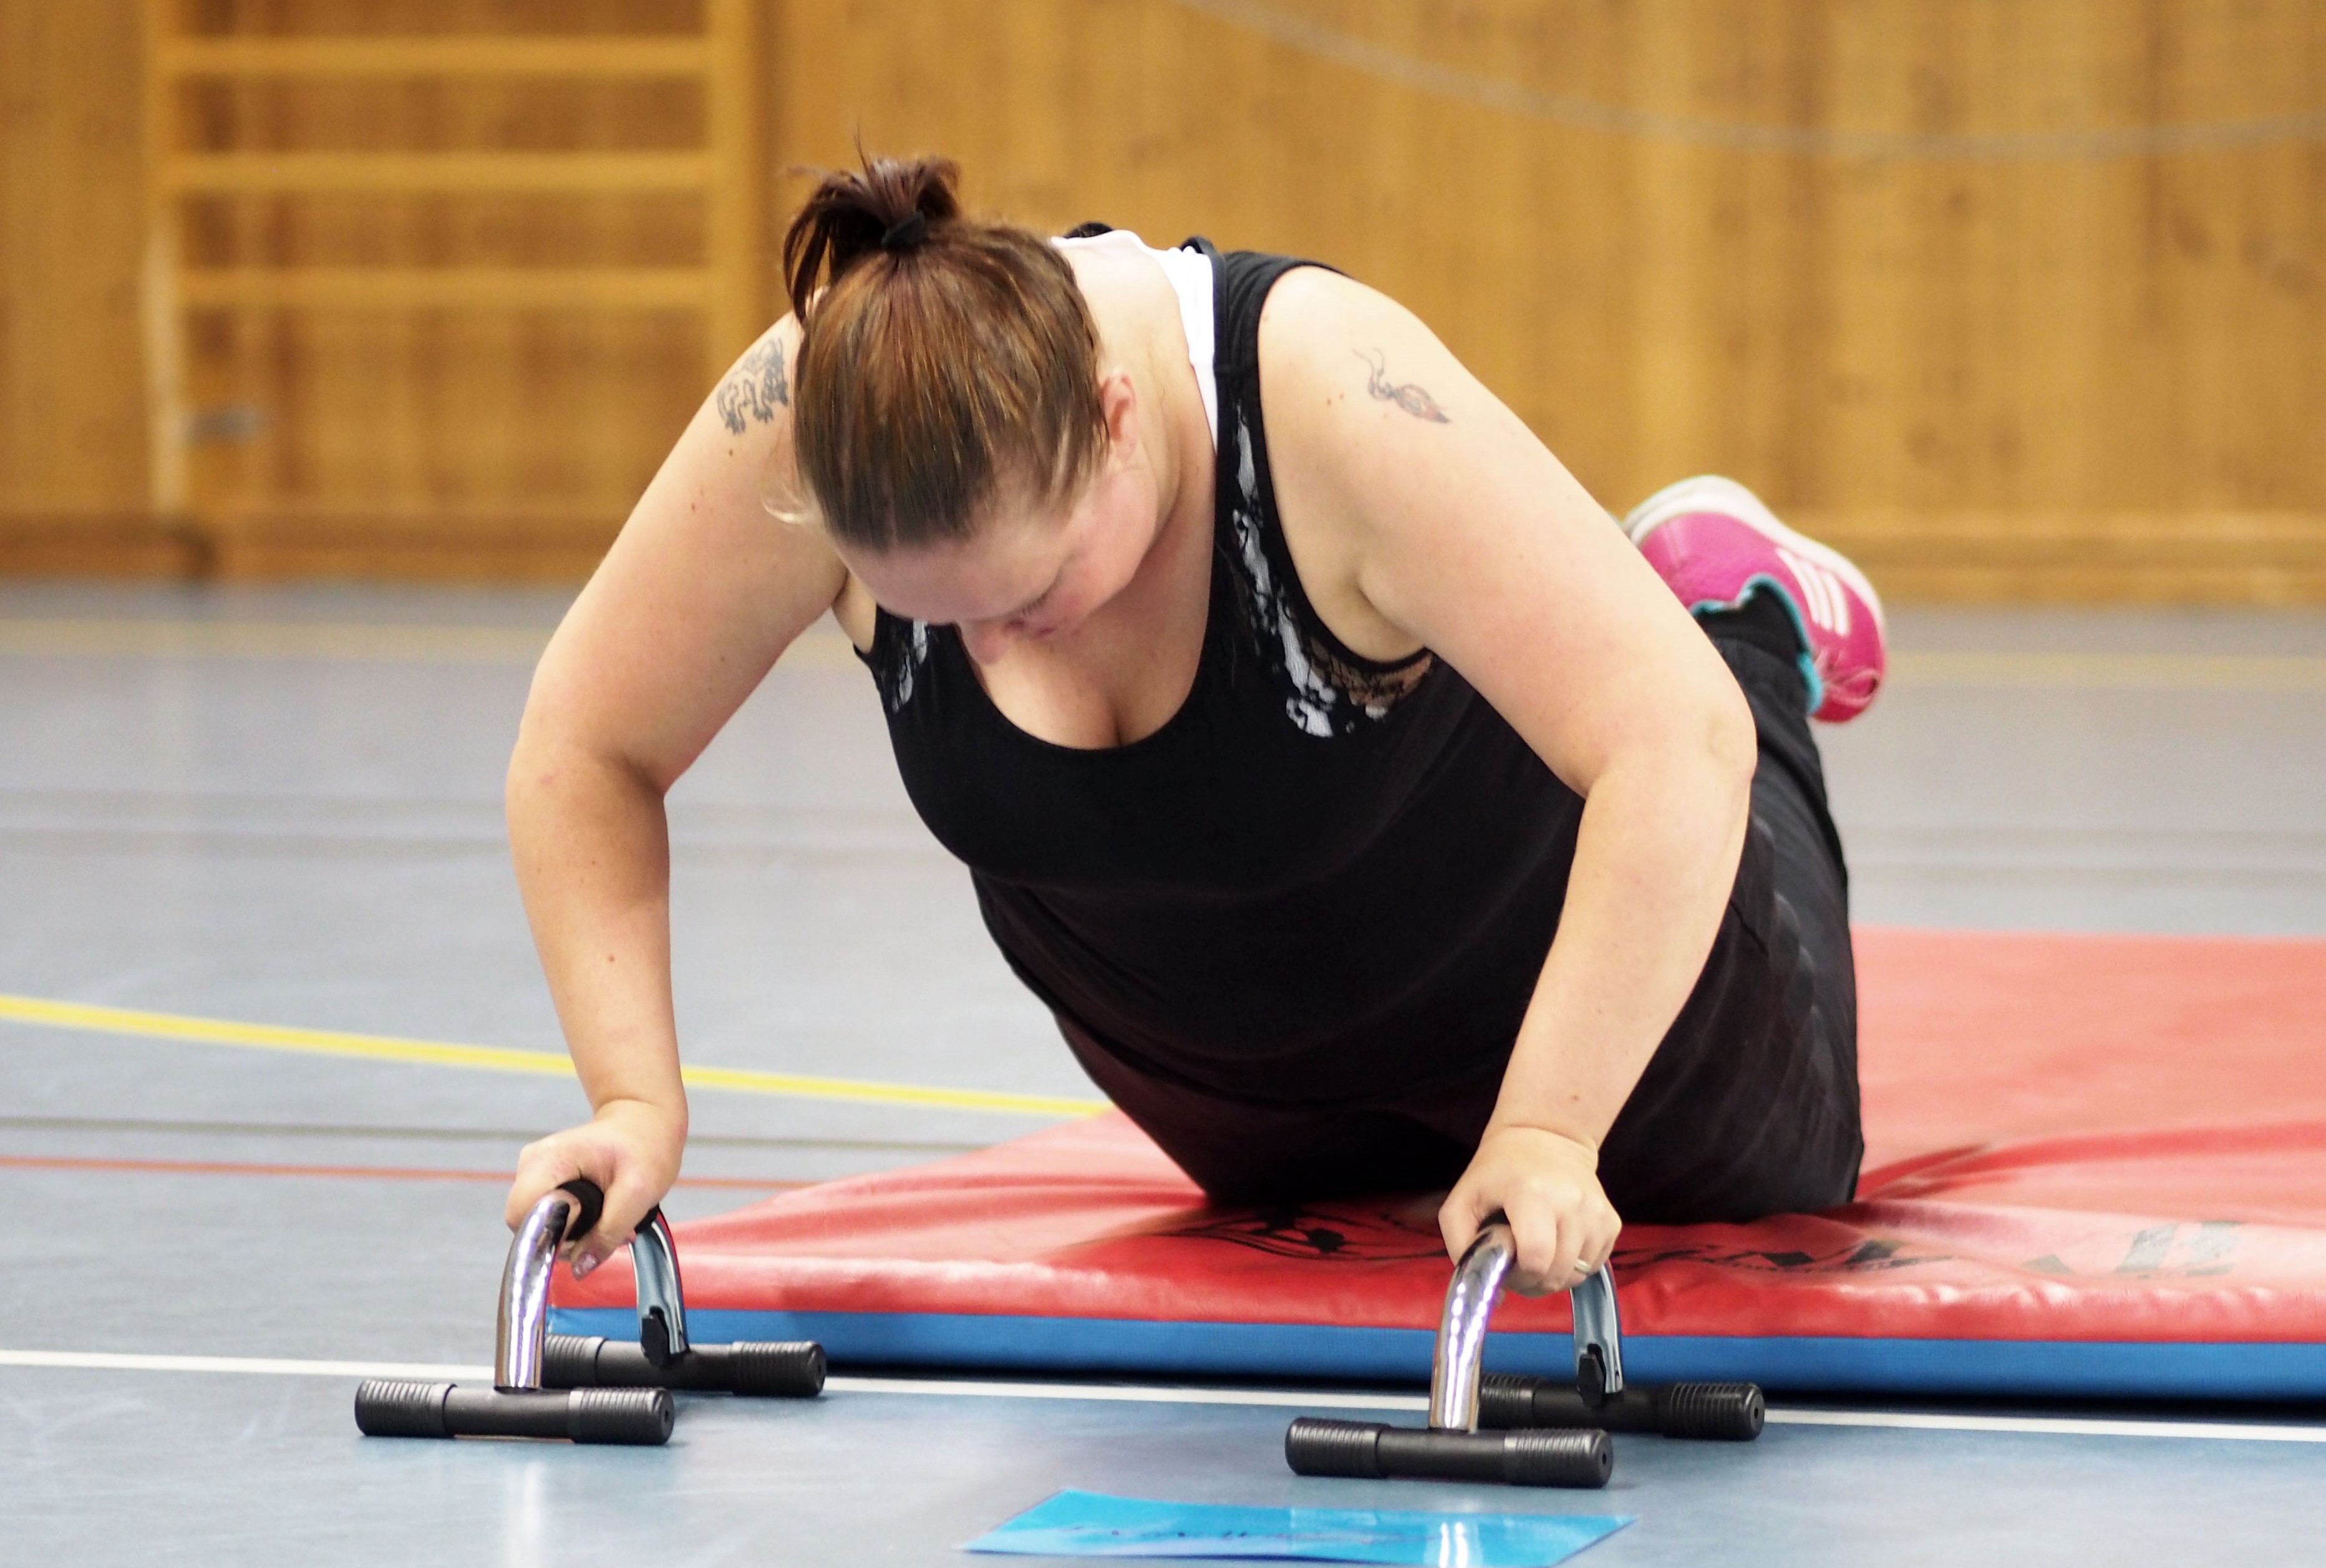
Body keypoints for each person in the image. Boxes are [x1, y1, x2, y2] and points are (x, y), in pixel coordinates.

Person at [503, 153, 1886, 1299]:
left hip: (1534, 983)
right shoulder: (826, 413)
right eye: (938, 615)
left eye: (1029, 595)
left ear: (1116, 420)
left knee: (1774, 1176)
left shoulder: (1331, 400)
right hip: (1231, 1095)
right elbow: (586, 748)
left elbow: (1670, 739)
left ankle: (1730, 610)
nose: (989, 649)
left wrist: (1548, 1126)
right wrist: (633, 1100)